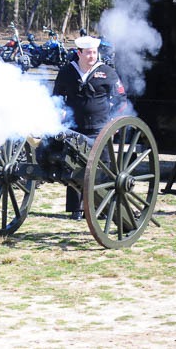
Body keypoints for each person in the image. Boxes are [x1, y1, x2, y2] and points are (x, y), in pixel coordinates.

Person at [52, 35, 127, 220]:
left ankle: (101, 207)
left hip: (100, 127)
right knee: (73, 165)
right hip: (74, 127)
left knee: (103, 167)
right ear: (79, 53)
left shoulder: (107, 72)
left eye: (94, 52)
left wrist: (114, 120)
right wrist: (59, 110)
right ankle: (76, 209)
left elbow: (121, 98)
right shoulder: (67, 71)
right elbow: (56, 96)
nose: (92, 56)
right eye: (88, 53)